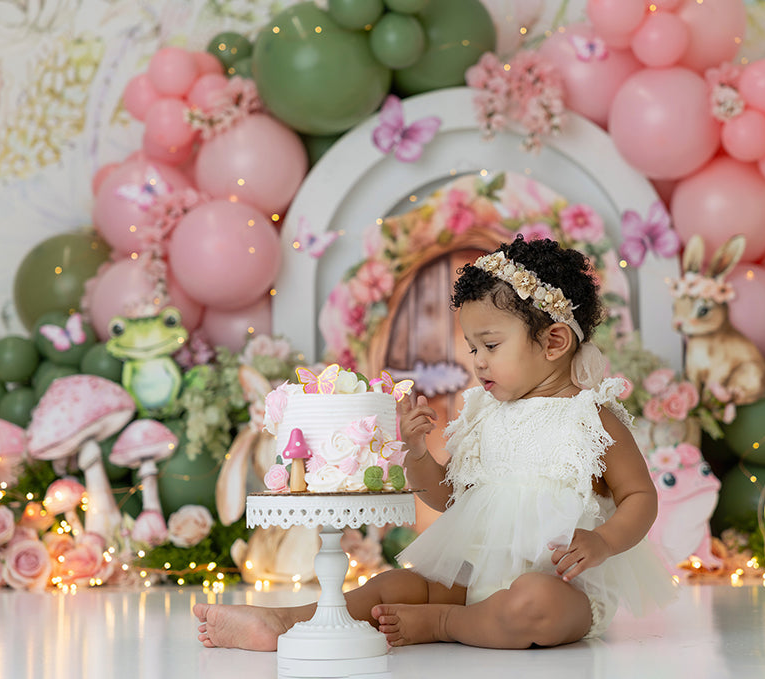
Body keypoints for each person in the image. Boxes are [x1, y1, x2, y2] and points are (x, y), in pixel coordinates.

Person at [194, 236, 675, 651]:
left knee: (535, 602)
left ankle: (444, 625)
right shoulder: (484, 415)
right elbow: (451, 499)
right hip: (474, 579)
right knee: (399, 584)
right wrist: (418, 455)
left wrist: (604, 541)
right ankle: (289, 621)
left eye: (491, 346)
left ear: (553, 343)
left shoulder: (591, 418)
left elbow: (639, 496)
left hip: (562, 585)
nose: (478, 363)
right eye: (472, 349)